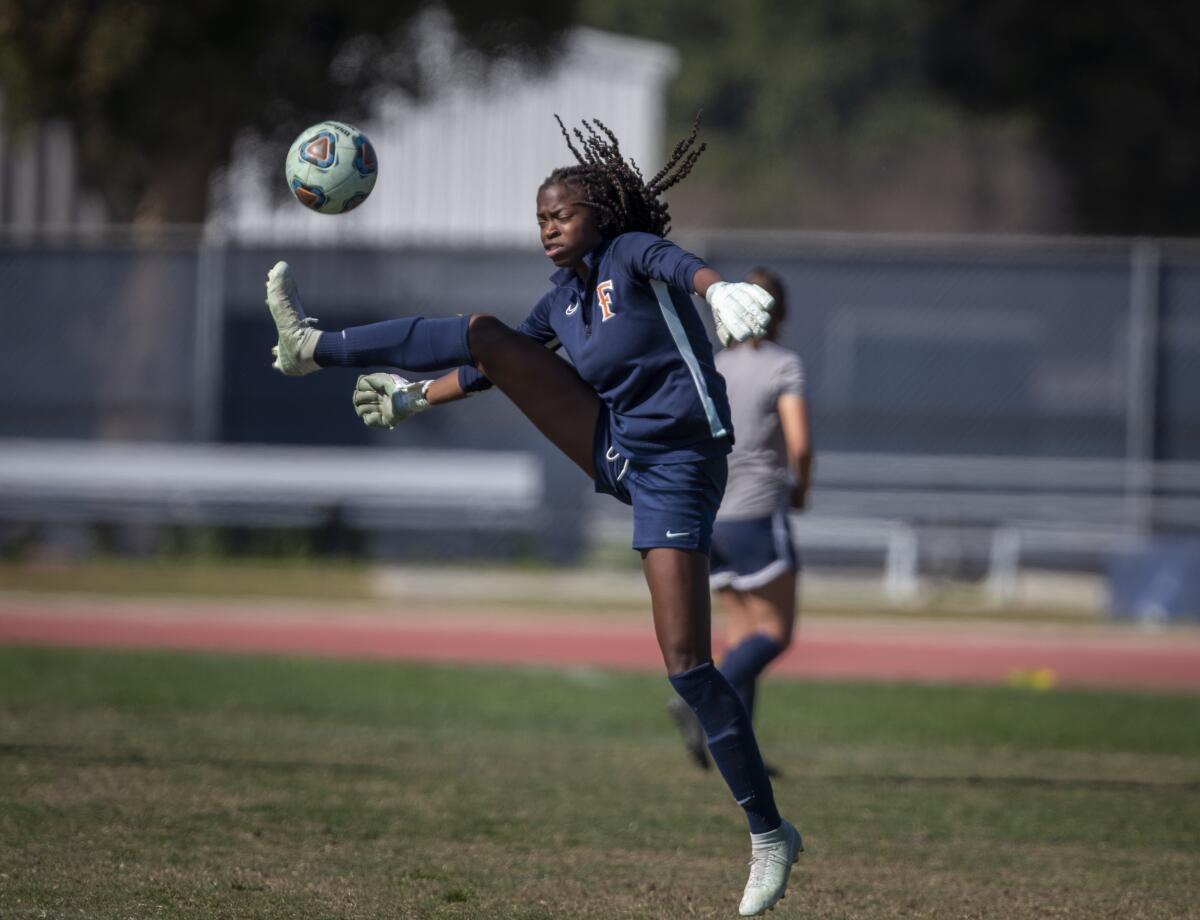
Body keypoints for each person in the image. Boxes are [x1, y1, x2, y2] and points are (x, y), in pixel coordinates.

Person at [264, 116, 802, 916]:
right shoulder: (564, 297)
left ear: (599, 216)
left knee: (688, 665)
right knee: (486, 335)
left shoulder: (627, 255)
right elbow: (500, 362)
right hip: (614, 447)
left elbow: (676, 262)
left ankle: (767, 833)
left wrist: (719, 288)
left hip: (683, 468)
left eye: (561, 214)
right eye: (540, 217)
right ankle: (314, 345)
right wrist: (417, 395)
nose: (547, 227)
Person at [667, 268, 812, 775]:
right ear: (782, 314)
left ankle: (739, 752)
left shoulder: (714, 364)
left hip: (713, 512)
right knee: (775, 632)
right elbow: (801, 444)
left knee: (741, 636)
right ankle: (694, 701)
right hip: (757, 510)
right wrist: (801, 490)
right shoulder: (782, 365)